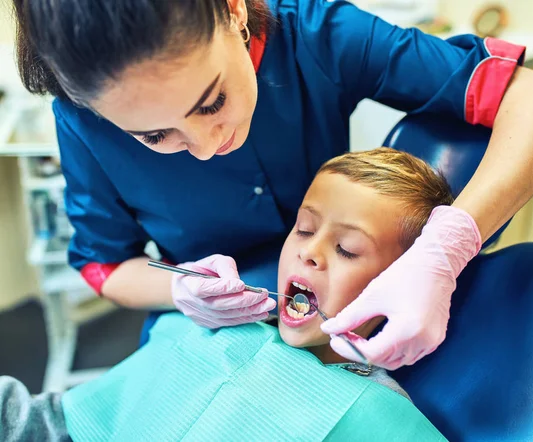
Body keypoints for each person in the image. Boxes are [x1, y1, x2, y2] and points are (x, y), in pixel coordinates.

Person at [12, 0, 533, 369]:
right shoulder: (85, 118)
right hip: (205, 336)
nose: (208, 147)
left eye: (213, 101)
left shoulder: (317, 34)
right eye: (156, 137)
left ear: (234, 11)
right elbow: (103, 265)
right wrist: (182, 291)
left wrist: (447, 245)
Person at [0, 148, 453, 441]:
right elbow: (55, 423)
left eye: (346, 249)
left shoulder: (375, 414)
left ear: (401, 285)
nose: (309, 253)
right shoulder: (211, 330)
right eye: (305, 229)